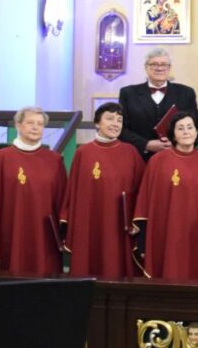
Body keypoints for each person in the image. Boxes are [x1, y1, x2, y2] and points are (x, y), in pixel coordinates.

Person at [0, 107, 67, 274]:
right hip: (9, 229)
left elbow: (63, 200)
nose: (35, 127)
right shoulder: (0, 158)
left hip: (44, 234)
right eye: (30, 122)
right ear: (18, 125)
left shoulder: (54, 160)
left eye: (40, 124)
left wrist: (65, 232)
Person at [131, 112, 198, 280]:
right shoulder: (157, 161)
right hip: (164, 232)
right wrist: (142, 239)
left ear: (197, 132)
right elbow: (145, 200)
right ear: (173, 134)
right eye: (180, 128)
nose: (186, 132)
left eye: (190, 127)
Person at [61, 102, 145, 279]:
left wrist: (136, 223)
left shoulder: (131, 152)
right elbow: (73, 193)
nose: (115, 124)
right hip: (90, 223)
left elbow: (142, 192)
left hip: (120, 225)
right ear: (97, 123)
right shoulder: (83, 153)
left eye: (119, 120)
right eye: (110, 119)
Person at [118, 48, 198, 160]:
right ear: (146, 67)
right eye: (154, 64)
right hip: (139, 159)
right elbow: (121, 129)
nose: (159, 68)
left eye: (164, 64)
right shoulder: (128, 93)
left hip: (177, 159)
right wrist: (146, 144)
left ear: (169, 68)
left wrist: (178, 145)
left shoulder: (186, 93)